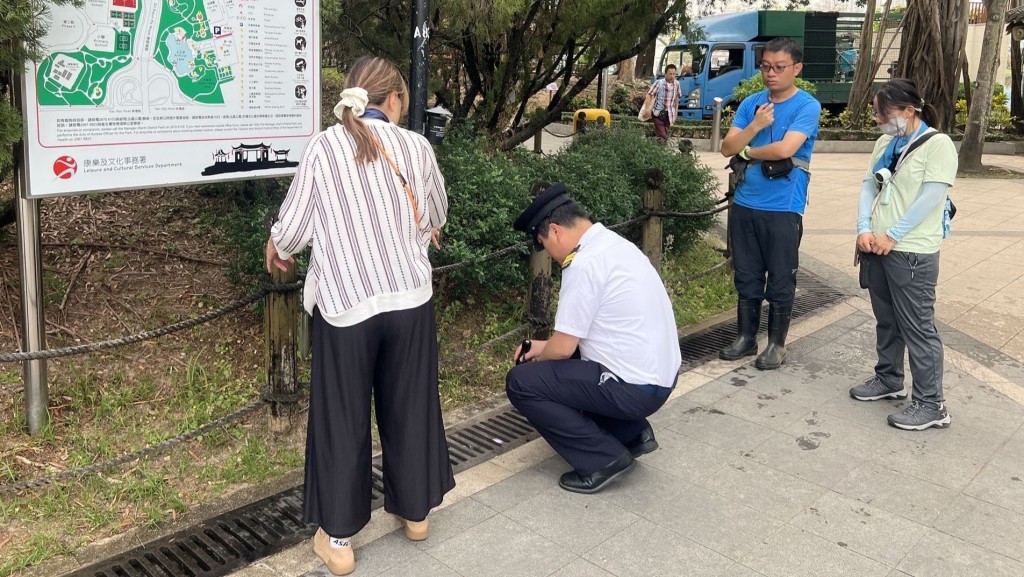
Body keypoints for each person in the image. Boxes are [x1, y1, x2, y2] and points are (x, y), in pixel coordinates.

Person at [264, 55, 453, 576]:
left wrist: (276, 245)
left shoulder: (325, 146)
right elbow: (436, 212)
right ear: (392, 100)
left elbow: (295, 228)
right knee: (409, 403)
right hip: (410, 301)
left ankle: (340, 542)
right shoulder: (416, 145)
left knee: (342, 416)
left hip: (347, 304)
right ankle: (415, 514)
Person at [505, 184, 681, 494]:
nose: (549, 253)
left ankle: (604, 460)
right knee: (565, 365)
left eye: (544, 244)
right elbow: (575, 340)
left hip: (636, 389)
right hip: (661, 377)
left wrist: (538, 360)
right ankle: (632, 434)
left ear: (556, 231)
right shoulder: (614, 244)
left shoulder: (582, 264)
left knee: (522, 382)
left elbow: (562, 351)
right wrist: (541, 348)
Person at [848, 78, 957, 431]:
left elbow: (931, 197)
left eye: (884, 113)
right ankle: (889, 379)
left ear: (909, 111)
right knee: (887, 319)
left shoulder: (938, 145)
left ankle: (931, 403)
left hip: (912, 252)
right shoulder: (886, 142)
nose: (879, 119)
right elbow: (870, 185)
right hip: (876, 245)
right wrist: (864, 227)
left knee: (918, 328)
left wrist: (892, 235)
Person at [718, 37, 821, 370]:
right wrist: (756, 126)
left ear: (797, 68)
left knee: (780, 277)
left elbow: (784, 150)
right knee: (746, 273)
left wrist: (747, 151)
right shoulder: (752, 104)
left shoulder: (807, 106)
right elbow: (725, 146)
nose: (771, 74)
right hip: (746, 202)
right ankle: (746, 338)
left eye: (779, 67)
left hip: (783, 205)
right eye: (765, 67)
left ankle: (776, 344)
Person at [648, 64, 682, 141]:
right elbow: (649, 95)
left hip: (669, 115)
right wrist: (647, 110)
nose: (672, 76)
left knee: (663, 135)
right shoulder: (659, 83)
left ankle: (657, 148)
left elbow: (677, 99)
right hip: (657, 113)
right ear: (665, 74)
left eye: (674, 74)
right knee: (664, 136)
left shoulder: (677, 84)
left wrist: (676, 112)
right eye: (670, 74)